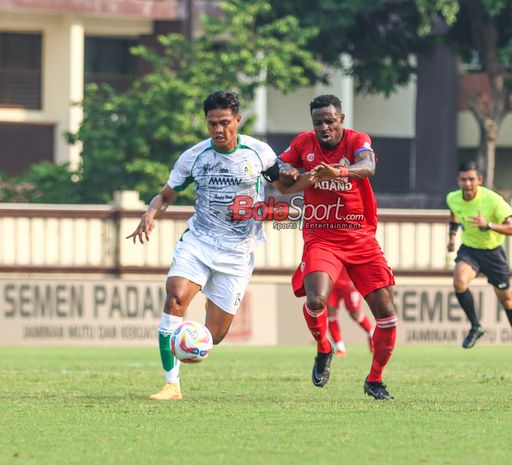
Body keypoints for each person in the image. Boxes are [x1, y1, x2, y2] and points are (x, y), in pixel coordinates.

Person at [127, 91, 299, 401]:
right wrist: (150, 212)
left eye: (224, 123)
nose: (218, 130)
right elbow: (166, 195)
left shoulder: (258, 152)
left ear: (237, 120)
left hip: (237, 252)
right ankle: (171, 385)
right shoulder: (194, 156)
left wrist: (304, 178)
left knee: (214, 336)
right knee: (175, 299)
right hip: (199, 242)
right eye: (211, 124)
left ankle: (210, 301)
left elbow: (283, 186)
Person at [279, 94, 398, 401]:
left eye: (330, 121)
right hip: (321, 236)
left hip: (360, 237)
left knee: (386, 315)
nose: (324, 127)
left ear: (341, 120)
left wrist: (339, 172)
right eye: (318, 122)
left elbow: (368, 166)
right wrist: (285, 172)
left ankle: (375, 379)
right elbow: (278, 169)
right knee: (317, 299)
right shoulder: (304, 144)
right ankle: (324, 348)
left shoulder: (358, 140)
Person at [446, 160, 512, 366]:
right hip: (470, 250)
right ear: (458, 181)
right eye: (463, 179)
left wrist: (488, 224)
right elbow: (455, 214)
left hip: (493, 253)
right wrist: (452, 237)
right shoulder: (453, 198)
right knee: (459, 282)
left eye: (472, 179)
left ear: (479, 180)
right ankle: (475, 326)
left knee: (507, 300)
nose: (467, 183)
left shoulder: (493, 200)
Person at [326, 268, 374, 357]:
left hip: (350, 283)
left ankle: (371, 334)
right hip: (333, 282)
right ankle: (340, 348)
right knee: (330, 312)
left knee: (355, 315)